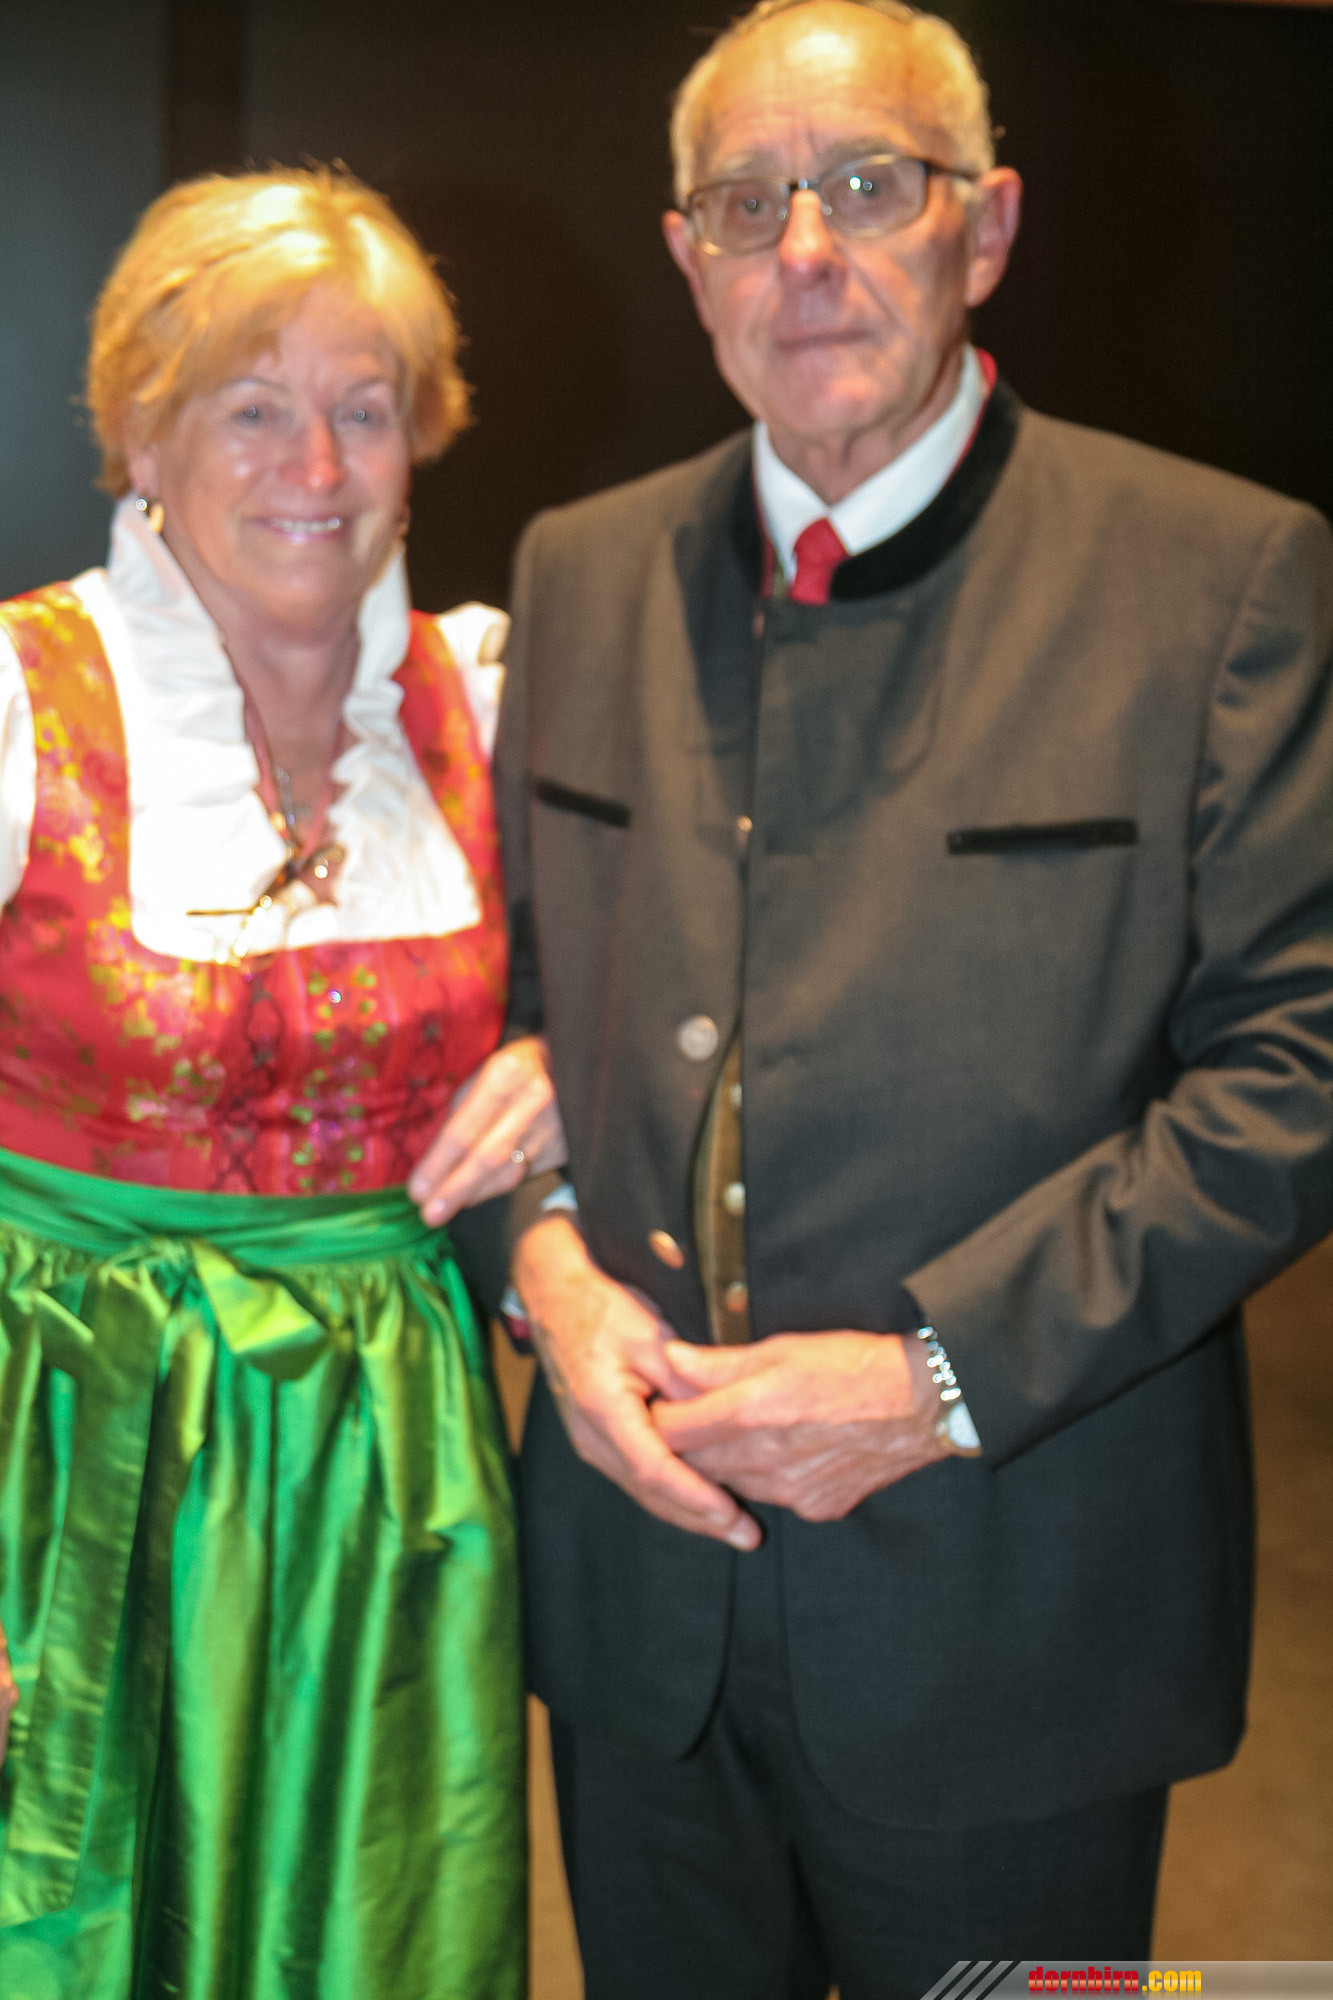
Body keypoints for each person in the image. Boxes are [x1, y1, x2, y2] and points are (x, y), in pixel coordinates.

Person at [483, 3, 1333, 1994]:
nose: (805, 250)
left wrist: (932, 1378)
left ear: (988, 226)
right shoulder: (578, 572)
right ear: (684, 253)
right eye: (747, 202)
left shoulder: (1217, 577)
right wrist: (539, 1267)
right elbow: (495, 1019)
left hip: (1012, 1613)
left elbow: (1294, 1074)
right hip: (637, 1611)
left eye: (869, 185)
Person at [0, 167, 561, 2000]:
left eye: (363, 409)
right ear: (140, 437)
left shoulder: (488, 695)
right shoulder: (23, 701)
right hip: (61, 1455)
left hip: (379, 1478)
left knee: (361, 1938)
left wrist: (568, 1054)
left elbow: (697, 976)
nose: (313, 466)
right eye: (250, 409)